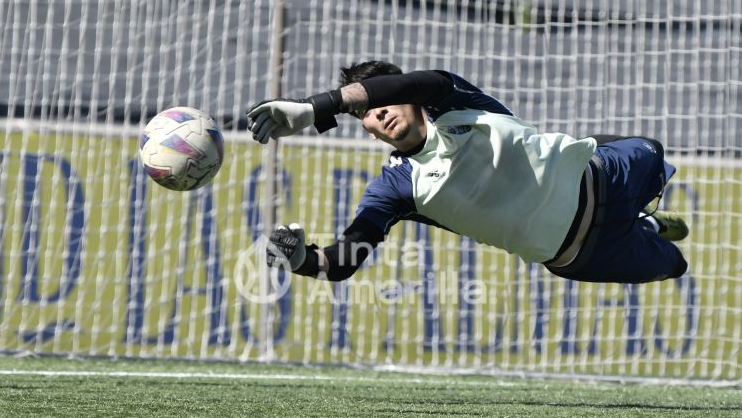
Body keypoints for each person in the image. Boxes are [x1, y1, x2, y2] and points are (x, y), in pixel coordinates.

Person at [246, 61, 689, 284]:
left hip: (604, 179)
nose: (378, 113)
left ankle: (640, 212)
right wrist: (298, 258)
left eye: (381, 99)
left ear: (407, 93)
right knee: (676, 266)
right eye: (365, 113)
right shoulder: (396, 187)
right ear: (365, 128)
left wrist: (317, 107)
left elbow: (413, 84)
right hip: (579, 256)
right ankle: (645, 225)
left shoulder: (454, 100)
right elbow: (341, 263)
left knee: (650, 150)